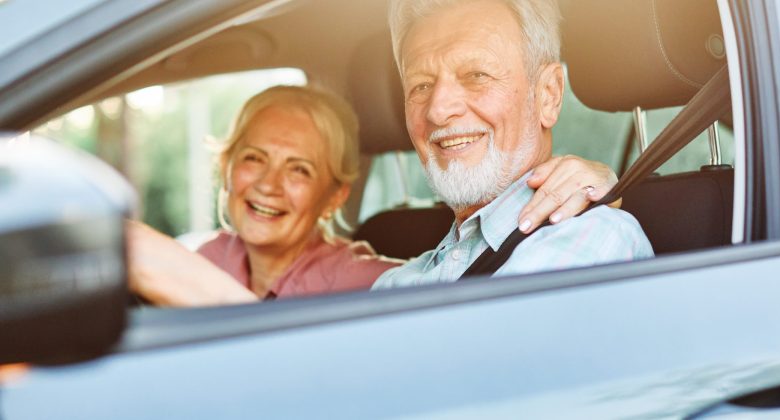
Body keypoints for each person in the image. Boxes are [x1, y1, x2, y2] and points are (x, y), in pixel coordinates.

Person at [128, 81, 624, 305]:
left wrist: (603, 186)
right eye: (254, 158)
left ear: (334, 197)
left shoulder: (367, 282)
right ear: (227, 167)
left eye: (298, 169)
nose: (267, 185)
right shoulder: (210, 255)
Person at [371, 0, 653, 288]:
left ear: (548, 94)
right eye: (422, 86)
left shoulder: (593, 239)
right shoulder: (393, 284)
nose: (438, 110)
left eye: (476, 75)